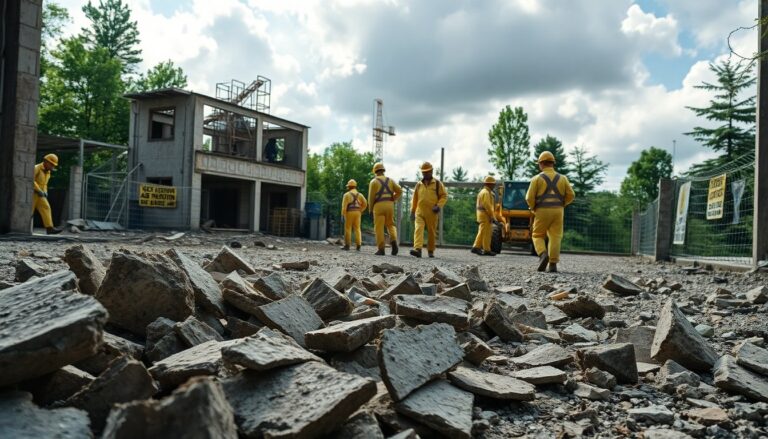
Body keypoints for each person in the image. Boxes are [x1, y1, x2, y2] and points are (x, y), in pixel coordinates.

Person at [525, 151, 575, 272]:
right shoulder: (563, 178)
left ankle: (543, 254)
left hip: (541, 210)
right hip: (558, 211)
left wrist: (532, 207)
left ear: (541, 164)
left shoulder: (536, 179)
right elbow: (571, 195)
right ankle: (553, 264)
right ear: (553, 163)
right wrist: (562, 204)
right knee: (555, 236)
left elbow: (528, 198)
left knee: (537, 235)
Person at [409, 162, 448, 258]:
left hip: (432, 212)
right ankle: (418, 249)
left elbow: (444, 196)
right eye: (423, 172)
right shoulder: (418, 185)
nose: (425, 174)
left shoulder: (438, 184)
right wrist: (412, 211)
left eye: (427, 172)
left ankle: (430, 250)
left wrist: (438, 206)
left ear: (431, 171)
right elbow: (414, 199)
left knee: (431, 232)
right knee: (418, 228)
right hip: (420, 211)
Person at [368, 162, 402, 255]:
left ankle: (381, 249)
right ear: (383, 170)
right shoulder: (390, 180)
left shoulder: (373, 182)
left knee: (379, 227)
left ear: (375, 171)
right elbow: (399, 190)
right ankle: (394, 240)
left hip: (378, 205)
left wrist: (370, 210)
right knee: (390, 224)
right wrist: (393, 198)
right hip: (389, 205)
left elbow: (371, 197)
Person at [33, 154, 62, 235]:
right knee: (29, 211)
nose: (52, 166)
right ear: (45, 161)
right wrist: (38, 190)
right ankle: (22, 228)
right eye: (51, 164)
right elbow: (31, 180)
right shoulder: (36, 168)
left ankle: (49, 228)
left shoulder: (48, 172)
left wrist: (45, 191)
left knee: (46, 208)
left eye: (53, 165)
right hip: (33, 194)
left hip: (41, 195)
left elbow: (45, 184)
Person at [471, 176, 500, 256]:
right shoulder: (486, 193)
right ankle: (477, 247)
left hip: (484, 215)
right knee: (484, 232)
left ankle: (484, 249)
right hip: (485, 215)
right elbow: (488, 206)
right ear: (489, 184)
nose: (494, 186)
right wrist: (492, 216)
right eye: (493, 184)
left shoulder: (486, 192)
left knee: (485, 232)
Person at [340, 179, 367, 251]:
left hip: (349, 212)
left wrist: (343, 214)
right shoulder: (360, 195)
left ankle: (347, 245)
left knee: (348, 228)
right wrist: (361, 210)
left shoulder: (346, 195)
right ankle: (358, 245)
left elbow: (344, 206)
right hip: (358, 213)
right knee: (357, 229)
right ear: (355, 186)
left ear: (349, 187)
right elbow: (365, 204)